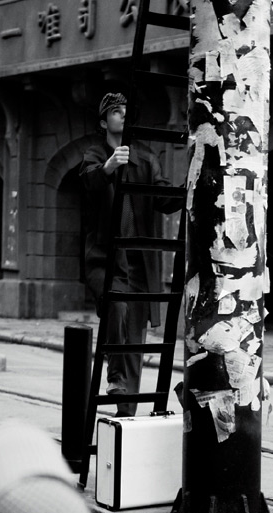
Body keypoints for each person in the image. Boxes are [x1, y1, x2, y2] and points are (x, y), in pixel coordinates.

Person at [80, 92, 179, 416]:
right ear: (103, 122)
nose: (122, 114)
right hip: (105, 260)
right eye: (115, 111)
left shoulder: (146, 159)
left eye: (125, 110)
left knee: (134, 341)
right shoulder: (94, 155)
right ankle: (115, 377)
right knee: (117, 306)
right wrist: (108, 167)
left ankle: (126, 414)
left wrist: (189, 188)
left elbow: (162, 198)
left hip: (138, 265)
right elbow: (88, 183)